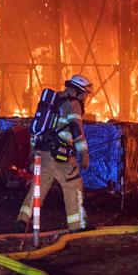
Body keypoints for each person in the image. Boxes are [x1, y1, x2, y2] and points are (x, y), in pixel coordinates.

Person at [14, 75, 93, 233]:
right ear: (78, 91)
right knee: (73, 186)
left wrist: (33, 151)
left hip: (42, 153)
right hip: (60, 156)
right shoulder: (74, 103)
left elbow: (36, 129)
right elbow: (76, 129)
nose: (85, 98)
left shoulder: (52, 101)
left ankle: (23, 218)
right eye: (85, 94)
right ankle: (77, 226)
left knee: (38, 187)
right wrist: (84, 153)